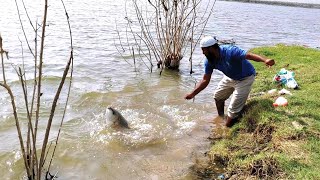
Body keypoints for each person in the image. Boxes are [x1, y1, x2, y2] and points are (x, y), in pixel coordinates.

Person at [184, 36, 275, 127]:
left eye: (204, 50)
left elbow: (248, 55)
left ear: (211, 48)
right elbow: (205, 80)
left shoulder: (230, 51)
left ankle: (226, 129)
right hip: (230, 77)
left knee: (233, 109)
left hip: (245, 78)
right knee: (218, 97)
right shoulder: (209, 61)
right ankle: (221, 118)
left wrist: (265, 60)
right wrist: (193, 94)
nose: (203, 53)